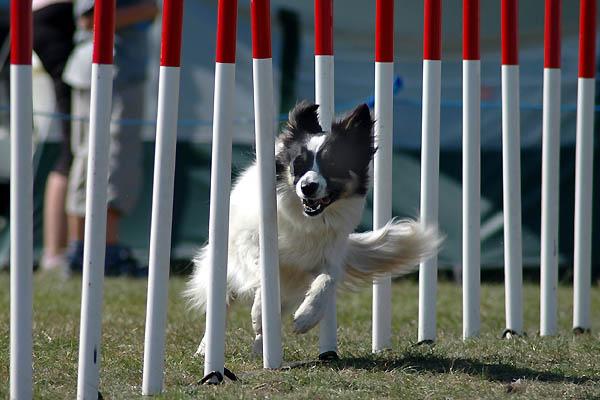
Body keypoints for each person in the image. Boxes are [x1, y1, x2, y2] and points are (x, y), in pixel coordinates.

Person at [63, 0, 158, 276]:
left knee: (91, 157)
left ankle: (84, 249)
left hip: (109, 69)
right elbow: (90, 18)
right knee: (110, 158)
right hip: (113, 70)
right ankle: (103, 250)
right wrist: (149, 9)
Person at [32, 0, 76, 271]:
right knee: (73, 152)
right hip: (56, 18)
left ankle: (58, 251)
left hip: (44, 18)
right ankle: (59, 251)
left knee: (72, 150)